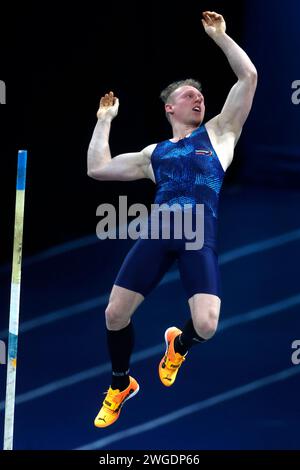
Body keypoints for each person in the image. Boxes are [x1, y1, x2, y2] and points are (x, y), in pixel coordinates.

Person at [87, 10, 257, 428]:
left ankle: (178, 344)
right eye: (188, 95)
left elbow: (248, 76)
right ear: (170, 108)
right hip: (160, 231)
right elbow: (98, 168)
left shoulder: (220, 132)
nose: (198, 97)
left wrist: (220, 36)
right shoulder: (153, 154)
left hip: (199, 235)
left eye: (200, 95)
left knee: (207, 325)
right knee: (114, 315)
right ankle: (120, 383)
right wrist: (103, 122)